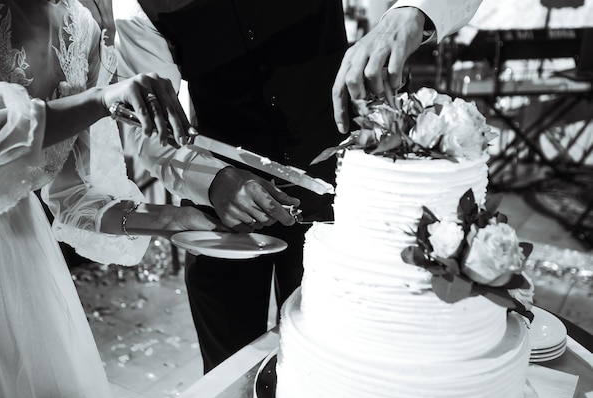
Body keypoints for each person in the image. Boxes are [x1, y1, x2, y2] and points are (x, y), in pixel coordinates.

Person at [112, 0, 483, 373]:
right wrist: (211, 180)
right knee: (229, 375)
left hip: (343, 203)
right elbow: (149, 131)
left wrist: (412, 12)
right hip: (222, 219)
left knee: (336, 372)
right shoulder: (138, 9)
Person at [0, 1, 231, 398]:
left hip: (17, 255)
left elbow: (72, 197)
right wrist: (97, 100)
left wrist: (170, 221)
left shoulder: (81, 30)